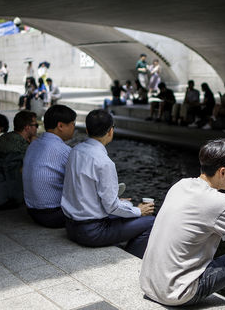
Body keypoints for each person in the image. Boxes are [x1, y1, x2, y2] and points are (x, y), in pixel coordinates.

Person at [140, 139, 225, 306]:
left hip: (148, 285)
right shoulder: (220, 202)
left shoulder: (180, 185)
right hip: (176, 293)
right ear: (222, 172)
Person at [61, 109, 155, 257]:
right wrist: (139, 211)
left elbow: (83, 191)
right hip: (92, 232)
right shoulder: (104, 162)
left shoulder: (75, 151)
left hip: (71, 227)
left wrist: (122, 203)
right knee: (150, 222)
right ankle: (129, 258)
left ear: (87, 129)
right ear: (110, 131)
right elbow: (111, 207)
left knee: (127, 207)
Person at [23, 105, 77, 228]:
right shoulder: (64, 151)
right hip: (53, 215)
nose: (74, 127)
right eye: (72, 124)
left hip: (32, 211)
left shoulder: (34, 144)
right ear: (61, 126)